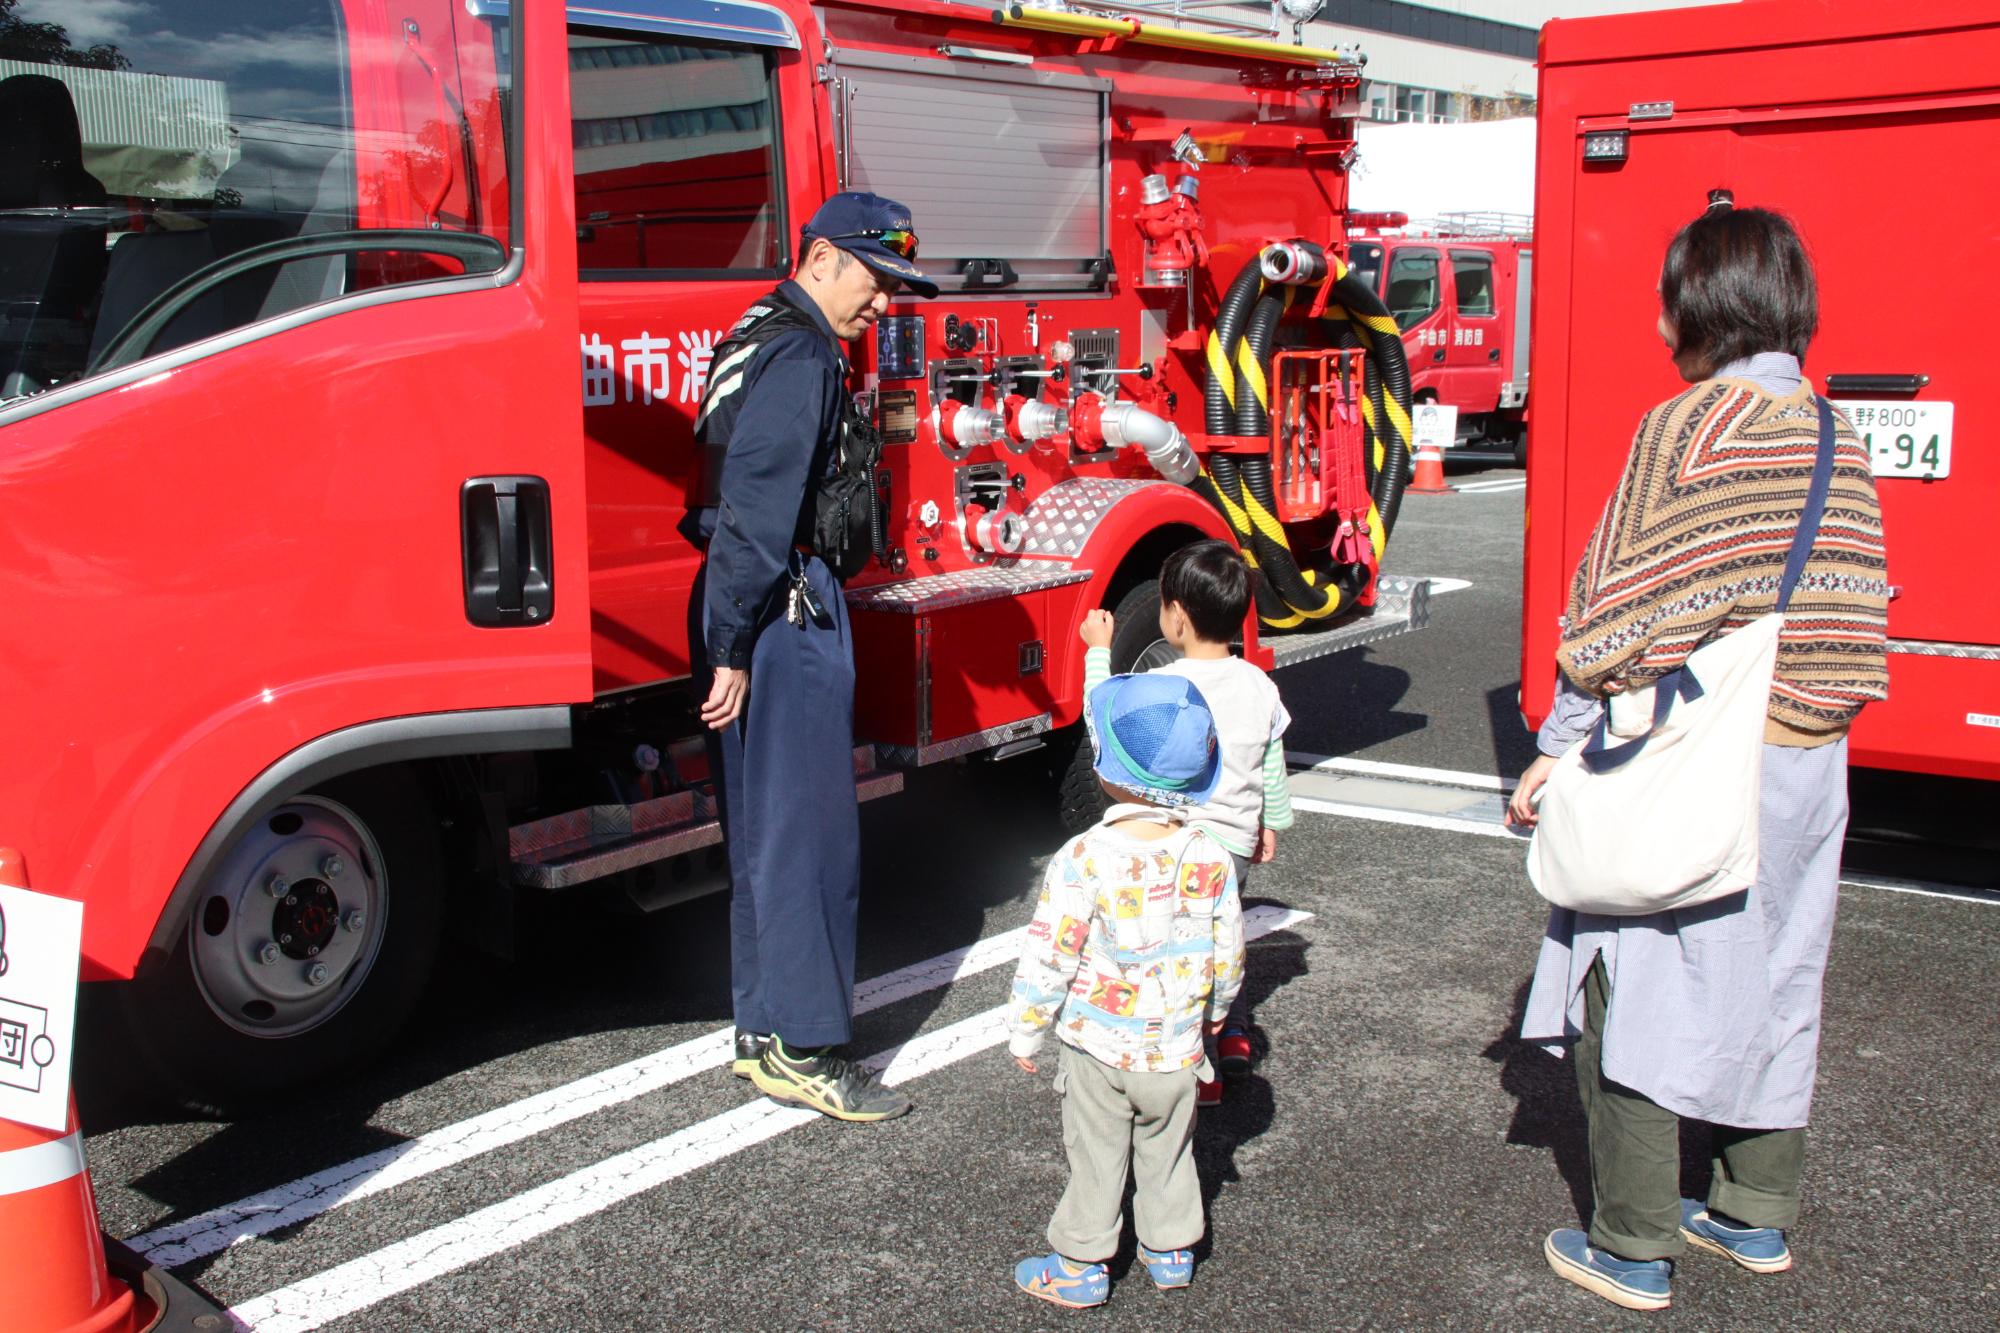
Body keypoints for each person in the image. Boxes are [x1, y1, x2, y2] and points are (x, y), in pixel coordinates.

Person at [1508, 198, 1890, 1311]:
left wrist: (1556, 751)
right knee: (1777, 969)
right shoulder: (1832, 429)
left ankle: (1631, 1241)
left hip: (1691, 750)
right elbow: (1850, 604)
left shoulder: (1688, 427)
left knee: (1637, 976)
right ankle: (1749, 1209)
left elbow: (1617, 610)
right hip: (1807, 753)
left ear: (1697, 304)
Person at [684, 192, 937, 1123]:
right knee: (810, 838)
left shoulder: (759, 328)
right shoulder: (802, 353)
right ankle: (806, 1047)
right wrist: (734, 642)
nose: (885, 305)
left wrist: (727, 628)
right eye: (877, 281)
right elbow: (755, 503)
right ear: (825, 256)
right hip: (780, 603)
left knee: (766, 837)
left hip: (751, 599)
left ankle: (765, 1033)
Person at [1008, 670, 1244, 1308]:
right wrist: (1216, 1014)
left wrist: (1027, 1026)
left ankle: (1082, 1263)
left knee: (1095, 1154)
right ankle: (1171, 1250)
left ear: (1106, 770)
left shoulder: (1084, 856)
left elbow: (1050, 953)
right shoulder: (1211, 855)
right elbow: (1229, 952)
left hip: (1096, 1047)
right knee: (1169, 1149)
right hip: (1176, 1048)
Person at [1079, 540, 1293, 1104]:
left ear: (1175, 616)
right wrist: (1270, 823)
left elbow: (1105, 715)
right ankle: (1236, 1037)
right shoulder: (1259, 685)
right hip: (1237, 844)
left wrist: (1098, 651)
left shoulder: (1166, 687)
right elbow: (1269, 760)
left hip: (1182, 846)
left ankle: (1200, 1067)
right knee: (1226, 936)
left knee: (1180, 954)